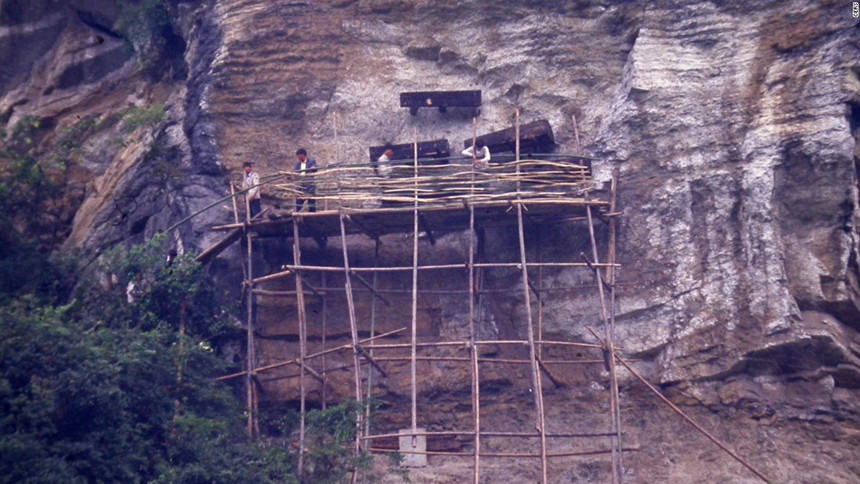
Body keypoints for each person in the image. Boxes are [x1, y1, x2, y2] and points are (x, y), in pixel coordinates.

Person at [293, 148, 318, 212]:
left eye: (299, 156)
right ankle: (298, 214)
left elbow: (315, 167)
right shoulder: (298, 164)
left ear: (303, 155)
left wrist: (313, 168)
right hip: (301, 186)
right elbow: (294, 172)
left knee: (311, 202)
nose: (298, 158)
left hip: (309, 185)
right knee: (298, 202)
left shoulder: (311, 162)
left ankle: (313, 216)